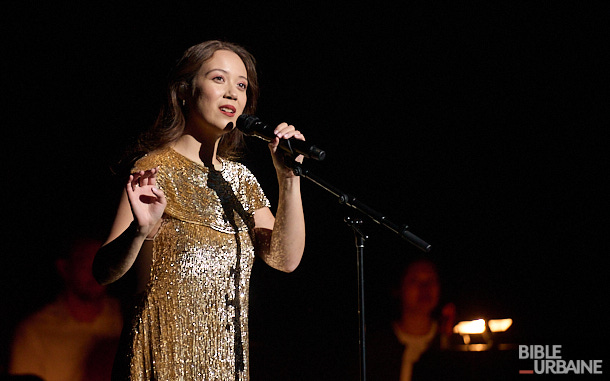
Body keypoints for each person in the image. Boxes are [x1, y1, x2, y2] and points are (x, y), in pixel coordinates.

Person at [92, 40, 306, 380]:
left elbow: (285, 259)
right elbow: (104, 272)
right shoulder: (154, 168)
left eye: (241, 85)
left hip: (226, 364)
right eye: (219, 79)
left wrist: (288, 179)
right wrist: (139, 232)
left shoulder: (240, 179)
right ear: (185, 91)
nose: (233, 93)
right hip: (162, 359)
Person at [9, 237, 123, 381]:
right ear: (64, 267)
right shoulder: (35, 332)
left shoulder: (126, 318)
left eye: (102, 262)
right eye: (84, 264)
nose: (95, 272)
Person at [367, 258, 455, 381]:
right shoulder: (375, 348)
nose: (425, 287)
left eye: (431, 280)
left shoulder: (450, 344)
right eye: (414, 280)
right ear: (399, 288)